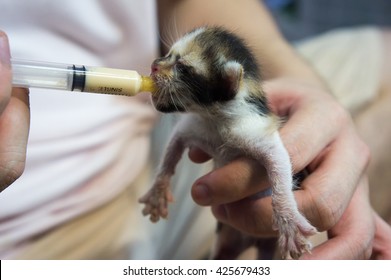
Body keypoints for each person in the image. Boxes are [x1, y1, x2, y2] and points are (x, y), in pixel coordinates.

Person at [0, 0, 389, 259]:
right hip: (37, 233)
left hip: (137, 141)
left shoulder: (233, 114)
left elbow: (275, 153)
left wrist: (312, 96)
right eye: (168, 56)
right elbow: (182, 138)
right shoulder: (199, 112)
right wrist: (162, 182)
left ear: (226, 86)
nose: (157, 67)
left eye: (178, 67)